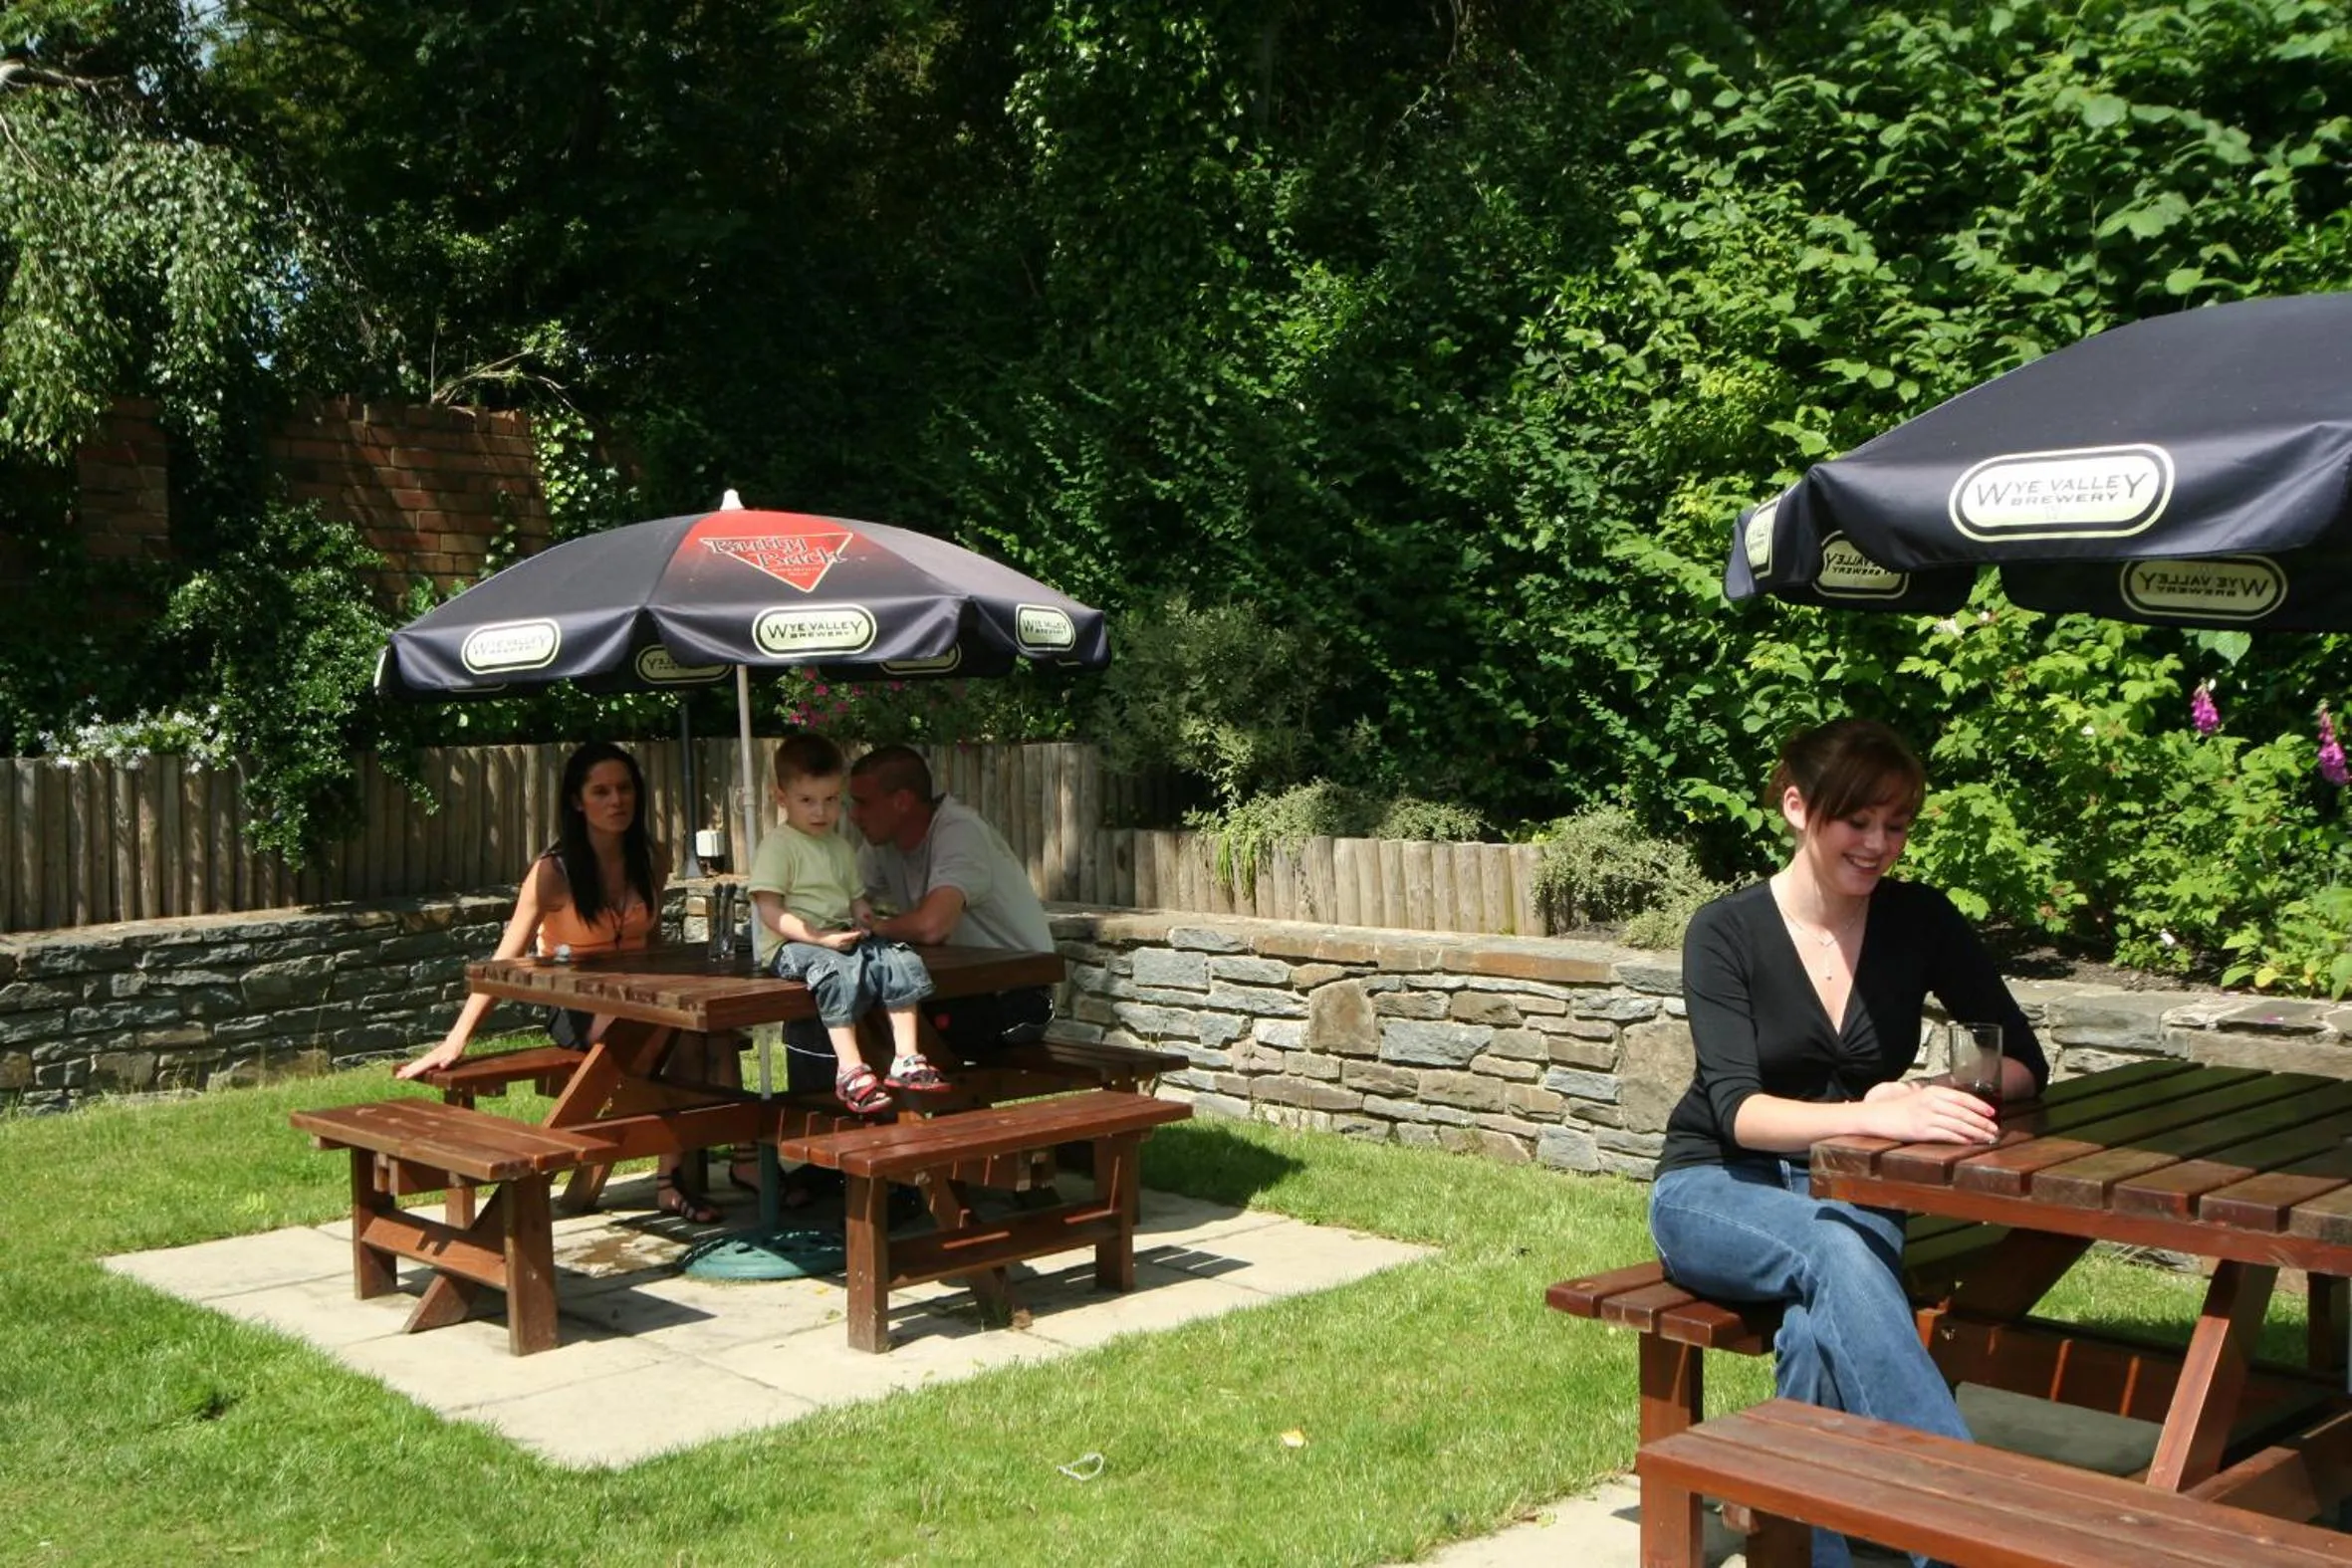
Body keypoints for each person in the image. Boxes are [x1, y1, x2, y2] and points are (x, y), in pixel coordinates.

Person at [1648, 717, 2047, 1568]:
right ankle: (1965, 1529)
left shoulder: (1920, 920)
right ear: (1798, 806)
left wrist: (1928, 1095)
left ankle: (1813, 1551)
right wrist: (1876, 1113)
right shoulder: (1724, 932)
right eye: (1855, 821)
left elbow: (2019, 1059)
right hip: (1716, 1187)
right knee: (1836, 1256)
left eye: (1895, 824)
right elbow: (1739, 1113)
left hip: (1855, 1187)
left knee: (1814, 1329)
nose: (1877, 845)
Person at [395, 740, 733, 1223]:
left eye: (624, 789)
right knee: (685, 1037)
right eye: (601, 791)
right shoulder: (552, 873)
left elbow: (653, 938)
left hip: (646, 996)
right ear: (578, 801)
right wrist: (456, 1039)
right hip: (574, 1004)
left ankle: (719, 1165)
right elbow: (504, 960)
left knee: (707, 1034)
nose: (617, 800)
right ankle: (682, 1176)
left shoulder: (651, 857)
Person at [747, 734, 947, 1114]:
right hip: (791, 946)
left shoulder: (839, 846)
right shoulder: (779, 846)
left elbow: (855, 896)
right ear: (781, 798)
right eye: (807, 801)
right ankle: (850, 1069)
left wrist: (863, 915)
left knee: (900, 959)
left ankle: (907, 1058)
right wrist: (818, 937)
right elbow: (770, 911)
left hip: (839, 935)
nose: (820, 812)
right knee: (835, 971)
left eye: (831, 800)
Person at [847, 744, 1058, 1055]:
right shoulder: (882, 844)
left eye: (863, 803)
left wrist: (873, 926)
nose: (853, 816)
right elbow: (843, 900)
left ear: (902, 801)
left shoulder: (960, 831)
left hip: (1017, 997)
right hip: (959, 990)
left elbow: (933, 926)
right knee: (846, 1011)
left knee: (884, 1024)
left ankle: (920, 1100)